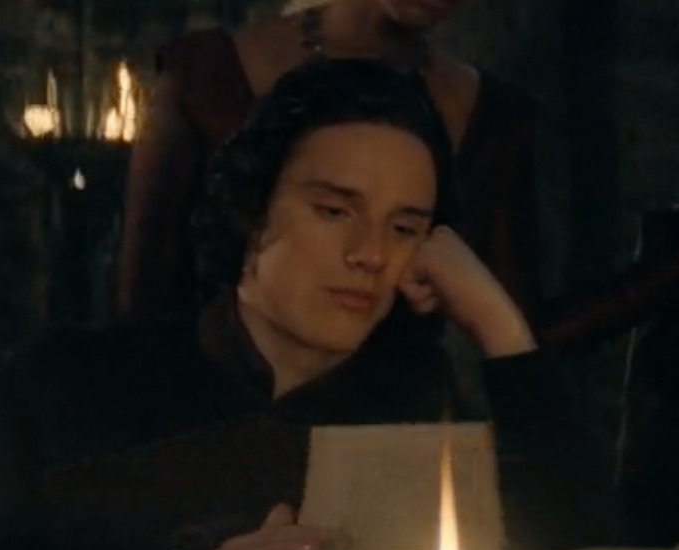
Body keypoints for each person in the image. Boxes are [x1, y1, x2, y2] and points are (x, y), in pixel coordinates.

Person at [0, 59, 679, 550]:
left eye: (404, 227)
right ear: (252, 211)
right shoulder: (53, 385)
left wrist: (498, 326)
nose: (368, 255)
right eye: (334, 210)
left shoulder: (416, 405)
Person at [117, 0, 546, 323]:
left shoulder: (492, 115)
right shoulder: (206, 76)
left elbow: (515, 315)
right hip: (214, 396)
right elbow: (143, 299)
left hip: (399, 402)